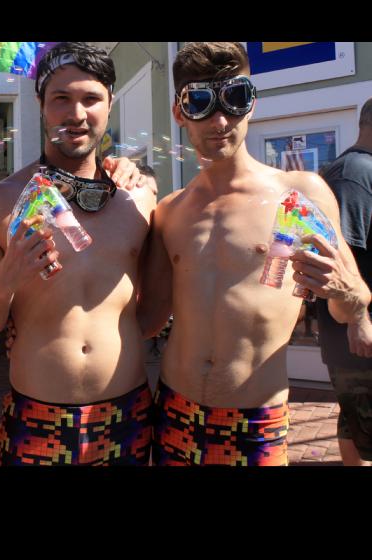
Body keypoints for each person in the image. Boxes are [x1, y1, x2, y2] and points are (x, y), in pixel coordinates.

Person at [138, 42, 371, 466]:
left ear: (252, 104)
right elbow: (148, 320)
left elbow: (349, 302)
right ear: (179, 112)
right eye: (201, 103)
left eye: (235, 98)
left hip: (256, 418)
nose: (220, 120)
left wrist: (350, 297)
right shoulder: (169, 211)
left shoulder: (298, 194)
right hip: (174, 412)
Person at [0, 42, 157, 466]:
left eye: (91, 98)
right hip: (37, 419)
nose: (77, 114)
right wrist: (9, 274)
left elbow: (154, 310)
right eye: (61, 99)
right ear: (40, 104)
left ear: (110, 103)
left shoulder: (139, 198)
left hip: (126, 415)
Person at [316, 97, 372, 466]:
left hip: (357, 333)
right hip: (358, 338)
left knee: (354, 422)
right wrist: (358, 319)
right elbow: (338, 256)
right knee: (361, 423)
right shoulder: (352, 173)